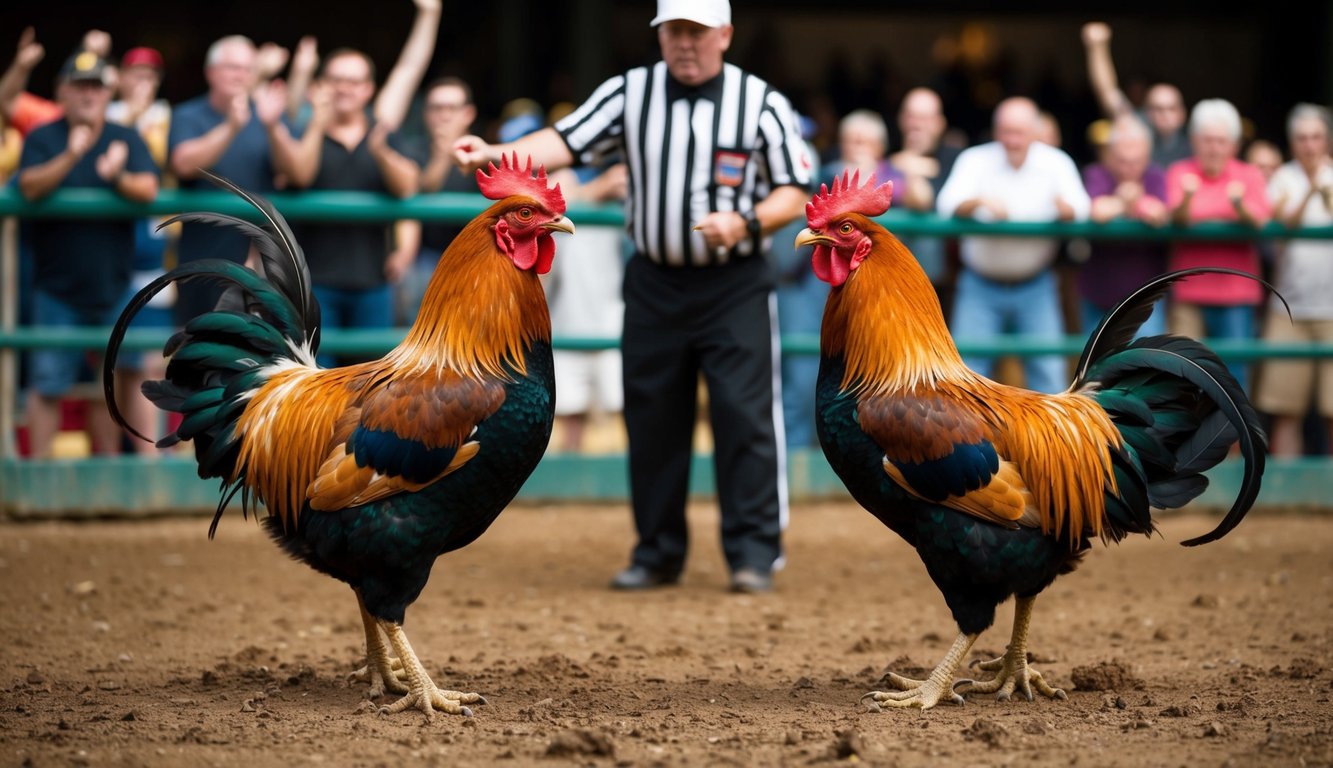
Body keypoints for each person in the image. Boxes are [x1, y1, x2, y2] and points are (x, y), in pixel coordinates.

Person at [454, 0, 814, 594]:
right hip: (654, 282)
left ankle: (753, 552)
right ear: (661, 35)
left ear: (724, 34)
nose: (686, 44)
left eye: (698, 32)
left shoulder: (762, 103)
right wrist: (490, 154)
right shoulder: (631, 92)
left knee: (744, 419)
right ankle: (657, 551)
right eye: (675, 31)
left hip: (735, 283)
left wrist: (747, 222)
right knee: (652, 418)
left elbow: (794, 188)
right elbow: (566, 140)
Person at [16, 49, 159, 458]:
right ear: (61, 91)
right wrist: (74, 155)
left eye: (96, 86)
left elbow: (148, 190)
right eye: (79, 86)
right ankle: (37, 482)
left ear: (107, 92)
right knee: (47, 384)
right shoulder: (44, 136)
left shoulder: (124, 137)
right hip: (56, 286)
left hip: (114, 283)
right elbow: (28, 187)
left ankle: (130, 475)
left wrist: (116, 176)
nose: (88, 95)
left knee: (121, 378)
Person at [935, 96, 1091, 394]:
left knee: (1048, 374)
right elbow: (945, 206)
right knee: (965, 379)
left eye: (1019, 132)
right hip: (980, 284)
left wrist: (1066, 212)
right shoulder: (975, 159)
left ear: (1035, 131)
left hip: (1036, 284)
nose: (1013, 140)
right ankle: (970, 443)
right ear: (996, 131)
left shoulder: (1056, 162)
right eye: (1006, 131)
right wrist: (977, 202)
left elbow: (1082, 209)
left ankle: (1052, 442)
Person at [167, 34, 291, 326]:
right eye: (232, 67)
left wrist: (274, 127)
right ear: (210, 72)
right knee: (198, 354)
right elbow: (183, 164)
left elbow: (296, 173)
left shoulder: (267, 115)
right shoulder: (187, 114)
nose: (240, 75)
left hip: (262, 265)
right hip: (203, 262)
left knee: (259, 362)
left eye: (247, 69)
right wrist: (231, 127)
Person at [1164, 98, 1272, 392]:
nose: (1214, 148)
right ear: (1194, 141)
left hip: (1236, 292)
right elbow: (1177, 218)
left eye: (1221, 141)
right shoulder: (1178, 172)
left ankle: (1235, 441)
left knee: (1234, 381)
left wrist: (1238, 207)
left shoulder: (1249, 174)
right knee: (1181, 378)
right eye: (1207, 140)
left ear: (1234, 145)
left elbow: (1262, 222)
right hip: (1189, 289)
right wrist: (1220, 207)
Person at [1254, 103, 1333, 456]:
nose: (1310, 145)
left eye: (1316, 136)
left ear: (1327, 139)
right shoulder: (1281, 179)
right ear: (1292, 142)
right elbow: (1280, 227)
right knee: (1286, 410)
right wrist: (1311, 191)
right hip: (1288, 308)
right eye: (1302, 138)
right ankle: (1286, 498)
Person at [107, 45, 175, 454]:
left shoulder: (169, 118)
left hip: (155, 256)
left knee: (150, 365)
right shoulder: (107, 114)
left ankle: (150, 461)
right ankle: (114, 463)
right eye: (135, 74)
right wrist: (131, 113)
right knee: (113, 365)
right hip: (107, 258)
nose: (142, 83)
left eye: (150, 76)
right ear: (119, 76)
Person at [1078, 114, 1169, 337]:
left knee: (1147, 366)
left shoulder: (1155, 175)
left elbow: (1160, 214)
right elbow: (1097, 211)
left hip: (1145, 297)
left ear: (1147, 156)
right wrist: (1128, 202)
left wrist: (1129, 204)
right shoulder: (1096, 173)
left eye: (1135, 161)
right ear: (1110, 154)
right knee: (1096, 368)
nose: (1128, 168)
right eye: (1122, 160)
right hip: (1098, 292)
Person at [399, 75, 480, 325]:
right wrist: (443, 156)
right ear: (425, 113)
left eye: (451, 108)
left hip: (475, 259)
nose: (444, 116)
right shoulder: (410, 150)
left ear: (468, 114)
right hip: (425, 258)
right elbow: (418, 191)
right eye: (436, 108)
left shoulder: (484, 153)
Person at [888, 86, 962, 316]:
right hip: (886, 282)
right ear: (901, 120)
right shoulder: (885, 153)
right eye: (911, 116)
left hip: (938, 284)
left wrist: (910, 164)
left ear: (940, 123)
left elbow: (924, 202)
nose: (917, 124)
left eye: (925, 118)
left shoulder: (956, 159)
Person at [1081, 22, 1191, 168]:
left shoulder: (1197, 144)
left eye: (1171, 108)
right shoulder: (1136, 126)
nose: (1164, 115)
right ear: (1146, 111)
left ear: (1182, 114)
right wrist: (1097, 48)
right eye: (1157, 108)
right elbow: (1107, 92)